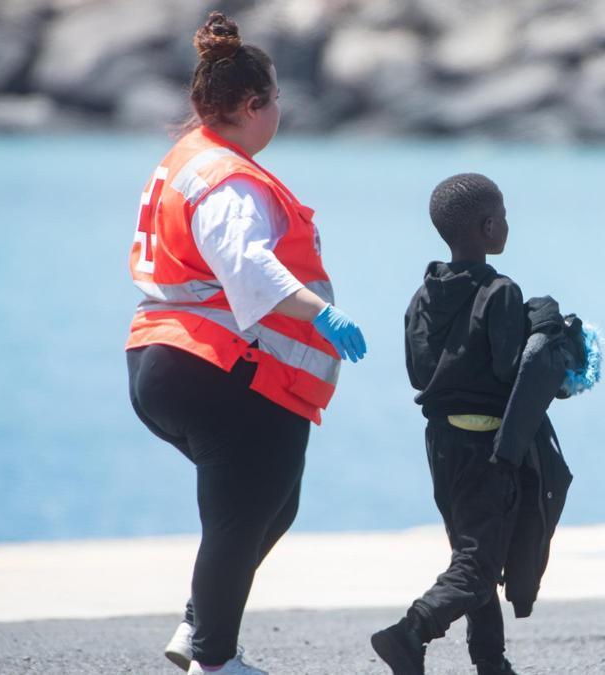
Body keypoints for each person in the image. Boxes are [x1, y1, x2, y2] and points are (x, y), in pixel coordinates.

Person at [125, 12, 366, 675]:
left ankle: (201, 626)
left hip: (159, 358)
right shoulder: (231, 181)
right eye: (277, 98)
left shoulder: (189, 159)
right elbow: (248, 266)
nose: (279, 109)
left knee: (271, 503)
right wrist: (323, 315)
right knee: (243, 508)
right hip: (212, 366)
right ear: (253, 105)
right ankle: (214, 657)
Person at [371, 173, 527, 675]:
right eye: (502, 215)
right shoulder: (501, 291)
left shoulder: (422, 296)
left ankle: (491, 662)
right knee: (479, 565)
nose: (506, 223)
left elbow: (419, 372)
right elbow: (509, 368)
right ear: (487, 227)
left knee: (472, 553)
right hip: (487, 445)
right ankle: (410, 632)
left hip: (441, 442)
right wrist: (541, 330)